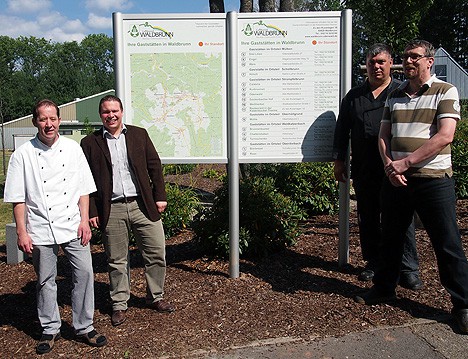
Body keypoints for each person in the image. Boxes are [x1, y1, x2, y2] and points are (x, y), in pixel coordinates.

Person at [354, 39, 468, 334]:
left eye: (415, 57)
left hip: (433, 182)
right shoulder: (395, 94)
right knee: (390, 239)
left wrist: (406, 163)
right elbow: (384, 135)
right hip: (396, 182)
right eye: (405, 57)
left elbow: (445, 136)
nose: (408, 62)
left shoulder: (445, 91)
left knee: (447, 243)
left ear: (429, 61)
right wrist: (390, 166)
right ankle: (384, 288)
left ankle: (463, 304)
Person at [3, 99, 107, 354]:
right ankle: (50, 328)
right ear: (35, 121)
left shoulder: (73, 149)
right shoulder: (23, 154)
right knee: (45, 280)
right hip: (39, 227)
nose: (48, 124)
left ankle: (84, 326)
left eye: (52, 119)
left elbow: (84, 190)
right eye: (43, 119)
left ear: (59, 120)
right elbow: (18, 198)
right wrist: (22, 232)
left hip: (73, 223)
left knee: (84, 273)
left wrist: (84, 221)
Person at [332, 43, 422, 289]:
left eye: (381, 61)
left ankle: (408, 268)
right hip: (365, 168)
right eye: (372, 62)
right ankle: (374, 263)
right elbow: (342, 131)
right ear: (366, 65)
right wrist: (339, 159)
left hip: (395, 168)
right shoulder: (354, 97)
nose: (376, 66)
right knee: (368, 217)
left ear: (391, 63)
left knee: (401, 219)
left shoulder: (402, 92)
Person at [80, 95, 174, 327]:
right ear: (100, 114)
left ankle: (156, 297)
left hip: (143, 205)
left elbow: (155, 165)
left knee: (156, 252)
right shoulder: (90, 143)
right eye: (105, 112)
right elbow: (84, 179)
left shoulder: (139, 134)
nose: (111, 115)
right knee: (116, 259)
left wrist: (160, 195)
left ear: (122, 112)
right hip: (111, 208)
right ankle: (120, 304)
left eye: (115, 111)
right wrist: (92, 209)